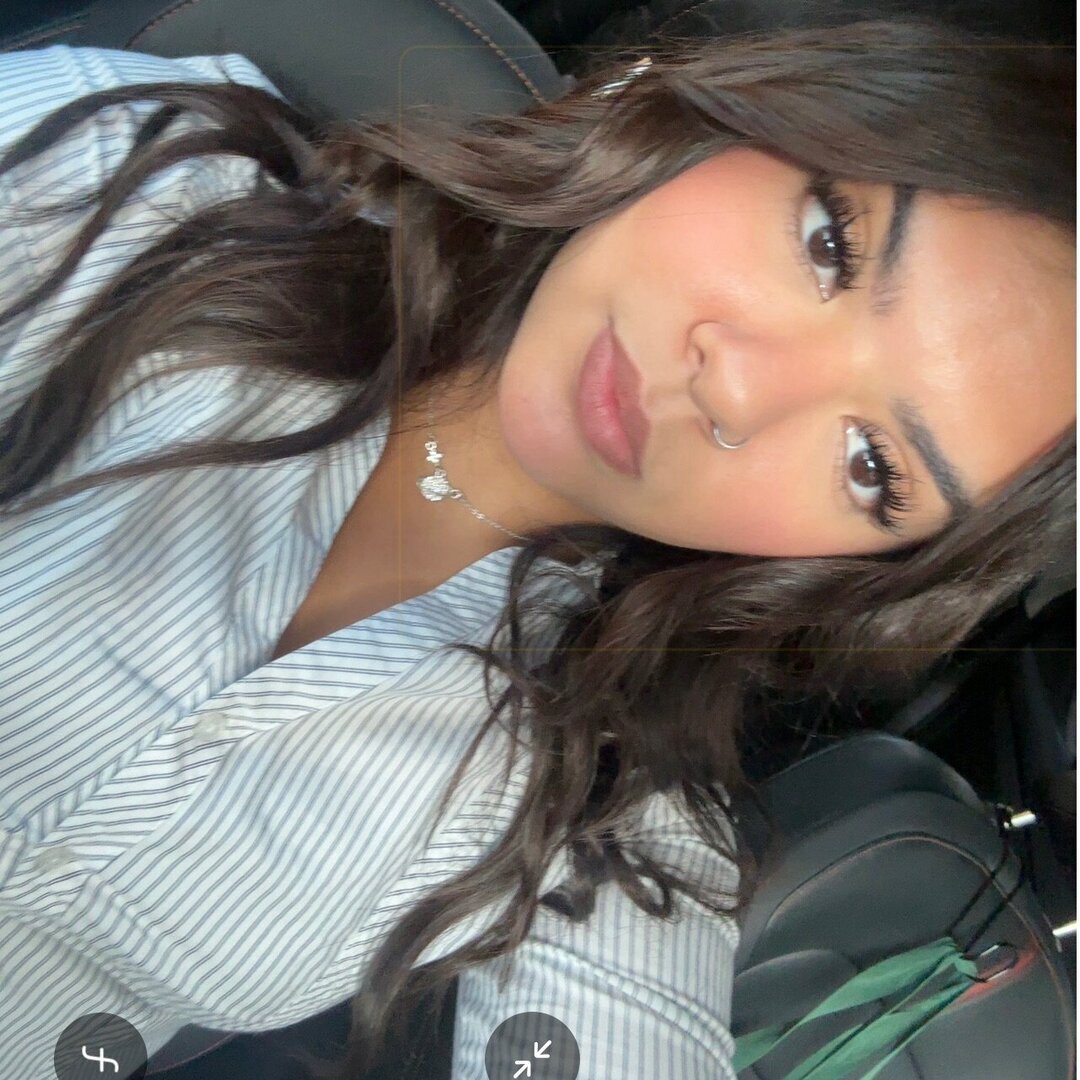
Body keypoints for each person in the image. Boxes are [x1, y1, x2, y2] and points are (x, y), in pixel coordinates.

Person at [0, 17, 1073, 1080]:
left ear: (854, 568)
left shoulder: (609, 798)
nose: (739, 386)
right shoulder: (144, 196)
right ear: (744, 120)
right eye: (828, 244)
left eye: (872, 464)